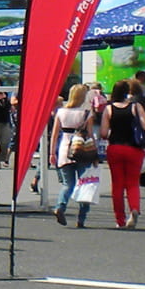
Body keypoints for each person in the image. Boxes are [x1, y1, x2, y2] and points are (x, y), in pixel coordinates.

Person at [104, 80, 145, 230]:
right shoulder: (135, 107)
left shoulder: (109, 109)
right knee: (132, 182)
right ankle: (134, 209)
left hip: (115, 148)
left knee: (117, 184)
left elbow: (103, 133)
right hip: (134, 149)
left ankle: (120, 219)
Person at [48, 84, 97, 225]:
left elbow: (55, 134)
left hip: (65, 149)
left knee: (67, 184)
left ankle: (60, 206)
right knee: (84, 184)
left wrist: (52, 152)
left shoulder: (61, 112)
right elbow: (90, 134)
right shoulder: (86, 113)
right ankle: (81, 218)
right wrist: (94, 155)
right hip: (82, 149)